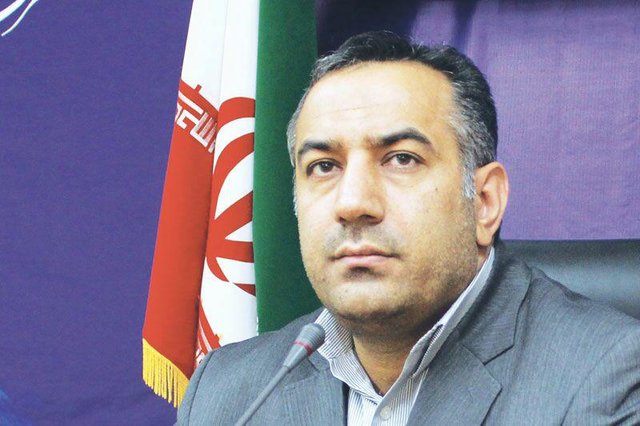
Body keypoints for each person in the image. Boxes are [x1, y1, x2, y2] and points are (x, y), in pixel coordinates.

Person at [176, 31, 640, 425]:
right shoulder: (228, 392)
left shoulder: (605, 378)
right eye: (324, 166)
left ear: (485, 201)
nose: (353, 203)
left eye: (401, 159)